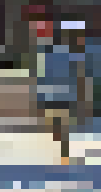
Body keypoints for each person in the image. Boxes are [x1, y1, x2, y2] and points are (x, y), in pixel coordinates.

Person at [32, 20, 81, 164]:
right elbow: (75, 76)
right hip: (63, 95)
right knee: (63, 126)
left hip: (53, 95)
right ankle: (63, 155)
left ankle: (59, 154)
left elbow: (42, 76)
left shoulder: (46, 54)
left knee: (56, 125)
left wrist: (40, 96)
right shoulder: (68, 54)